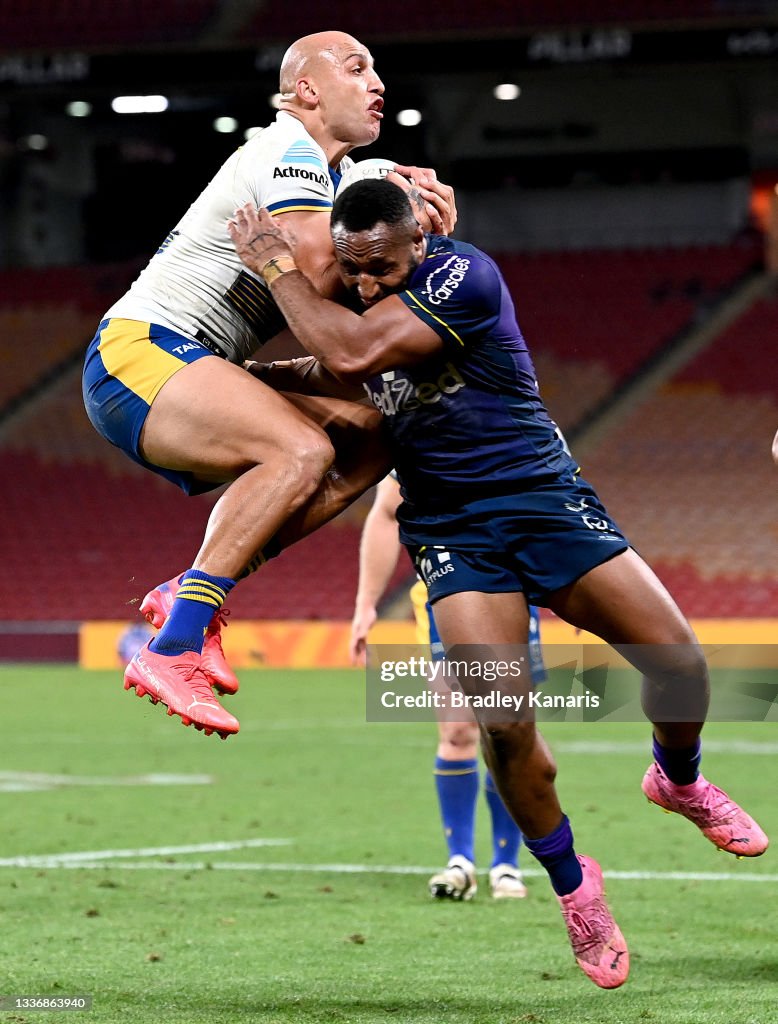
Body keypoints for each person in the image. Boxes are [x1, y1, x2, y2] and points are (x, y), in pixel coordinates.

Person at [226, 178, 769, 988]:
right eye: (354, 270)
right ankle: (575, 891)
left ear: (420, 241)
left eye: (381, 265)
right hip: (453, 535)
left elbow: (353, 354)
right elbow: (342, 368)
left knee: (680, 664)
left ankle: (678, 778)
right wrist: (245, 374)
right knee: (505, 725)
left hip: (545, 503)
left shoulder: (462, 276)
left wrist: (276, 267)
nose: (367, 281)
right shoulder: (373, 303)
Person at [82, 31, 456, 739]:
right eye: (355, 68)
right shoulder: (287, 150)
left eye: (376, 68)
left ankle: (187, 596)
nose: (376, 81)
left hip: (194, 358)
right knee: (299, 453)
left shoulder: (338, 174)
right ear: (306, 92)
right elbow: (314, 281)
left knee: (377, 436)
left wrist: (406, 221)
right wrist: (401, 238)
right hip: (139, 351)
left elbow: (340, 272)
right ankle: (172, 647)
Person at [351, 473, 546, 901]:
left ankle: (507, 865)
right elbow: (386, 513)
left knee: (508, 729)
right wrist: (367, 602)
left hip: (513, 586)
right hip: (444, 586)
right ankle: (460, 861)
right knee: (458, 730)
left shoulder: (522, 429)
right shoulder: (415, 434)